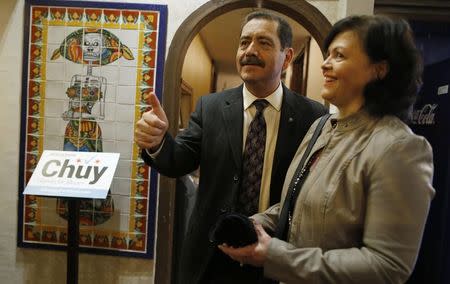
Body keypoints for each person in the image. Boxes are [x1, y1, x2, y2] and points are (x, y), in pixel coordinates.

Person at [219, 14, 435, 284]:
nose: (325, 65)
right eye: (327, 55)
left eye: (339, 56)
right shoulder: (322, 126)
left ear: (379, 69)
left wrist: (276, 255)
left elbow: (387, 266)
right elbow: (298, 205)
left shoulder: (400, 148)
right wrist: (254, 224)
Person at [134, 10, 326, 284]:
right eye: (244, 42)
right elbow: (179, 161)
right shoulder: (211, 107)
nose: (250, 51)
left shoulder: (312, 116)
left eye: (264, 43)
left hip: (274, 255)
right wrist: (157, 142)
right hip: (212, 254)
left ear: (287, 57)